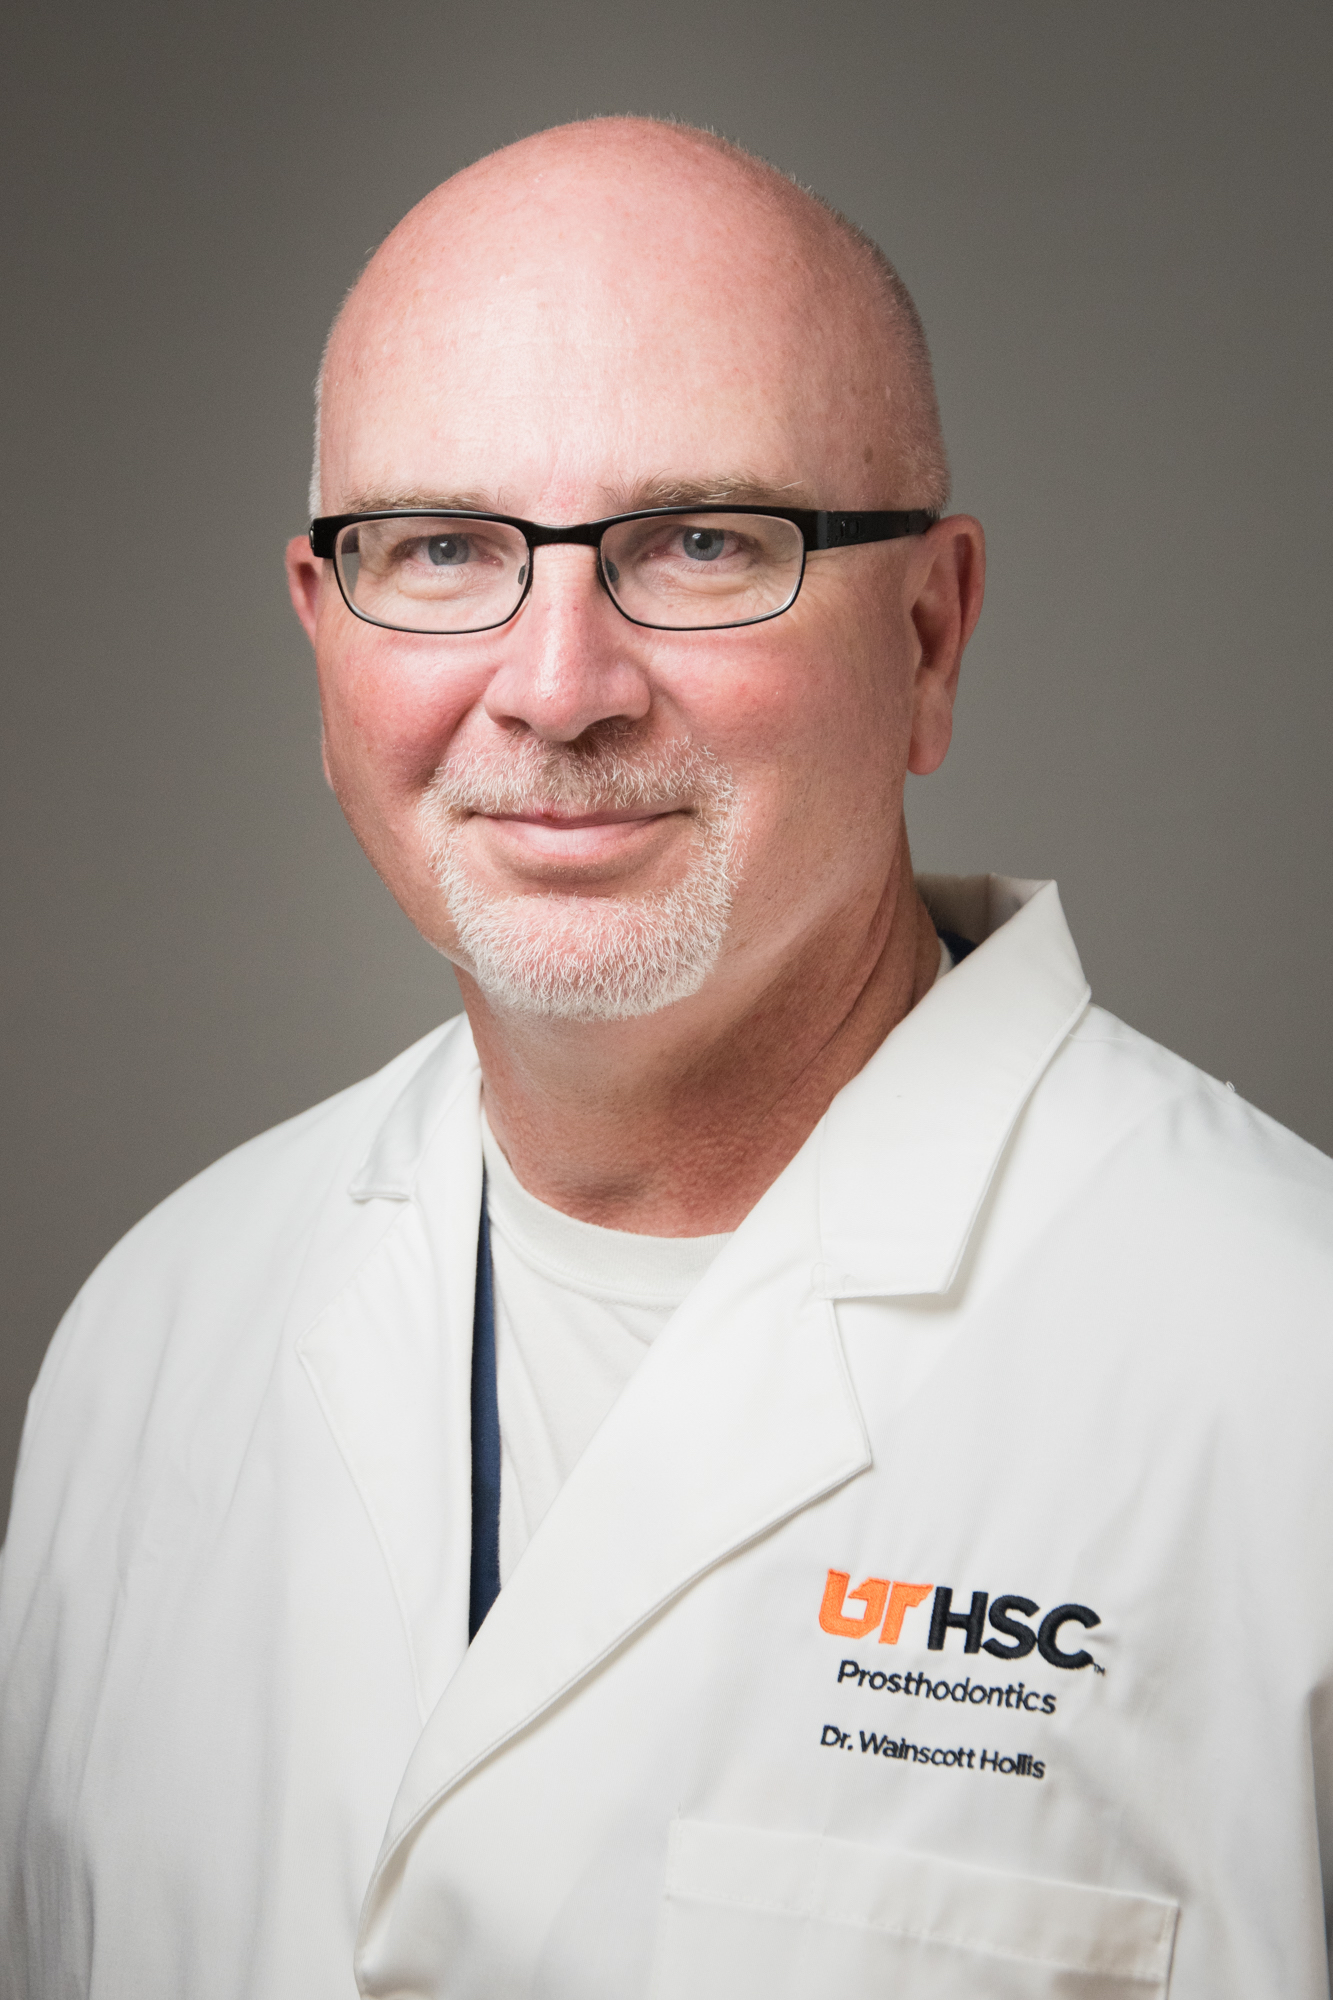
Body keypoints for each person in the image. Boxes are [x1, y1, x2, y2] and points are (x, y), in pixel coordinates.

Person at [1, 114, 1330, 2000]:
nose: (557, 688)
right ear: (322, 638)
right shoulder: (150, 1340)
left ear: (930, 635)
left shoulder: (1289, 1382)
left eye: (702, 542)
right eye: (440, 547)